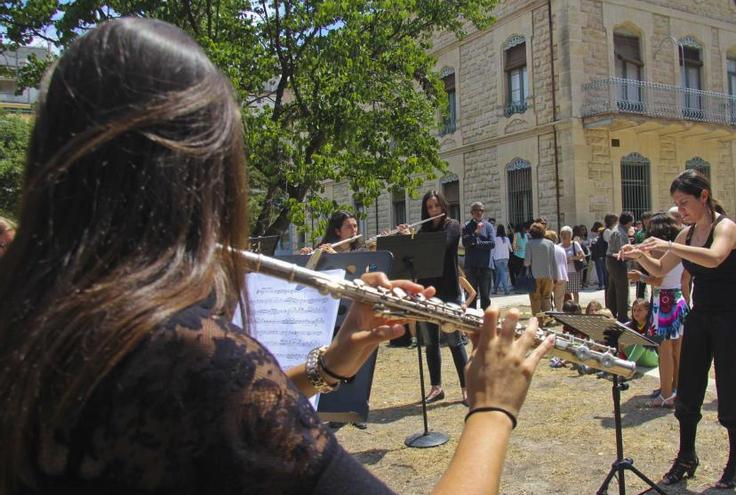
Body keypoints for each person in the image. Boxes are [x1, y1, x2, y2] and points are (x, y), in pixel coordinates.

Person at [0, 19, 556, 495]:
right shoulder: (185, 353)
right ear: (202, 180)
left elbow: (213, 420)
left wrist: (333, 363)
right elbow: (212, 395)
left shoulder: (31, 308)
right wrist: (492, 406)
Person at [620, 169, 736, 489]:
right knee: (689, 388)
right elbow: (662, 267)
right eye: (676, 203)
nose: (680, 210)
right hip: (701, 314)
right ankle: (686, 456)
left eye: (685, 202)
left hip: (731, 316)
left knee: (729, 389)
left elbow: (714, 258)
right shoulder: (686, 234)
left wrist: (669, 245)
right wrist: (640, 256)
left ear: (704, 196)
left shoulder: (726, 227)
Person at [415, 192, 469, 405]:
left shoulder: (453, 225)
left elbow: (444, 246)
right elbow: (415, 255)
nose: (434, 210)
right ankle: (436, 388)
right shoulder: (423, 230)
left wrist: (419, 239)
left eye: (437, 206)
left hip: (449, 292)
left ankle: (467, 388)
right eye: (429, 207)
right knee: (430, 343)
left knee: (455, 341)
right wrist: (408, 237)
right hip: (428, 292)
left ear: (443, 206)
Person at [628, 213, 687, 408]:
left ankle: (666, 393)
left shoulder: (660, 251)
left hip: (664, 300)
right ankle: (676, 389)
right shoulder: (678, 248)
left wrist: (640, 276)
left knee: (665, 351)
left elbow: (658, 278)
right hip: (679, 298)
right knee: (678, 350)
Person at [462, 201, 496, 309]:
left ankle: (486, 321)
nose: (479, 213)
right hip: (471, 266)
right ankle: (472, 321)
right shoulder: (467, 226)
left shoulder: (489, 226)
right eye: (476, 210)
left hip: (485, 266)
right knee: (472, 295)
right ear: (472, 212)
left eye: (481, 210)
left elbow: (492, 244)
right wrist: (476, 233)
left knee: (485, 297)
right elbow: (465, 243)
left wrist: (476, 243)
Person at [524, 222, 557, 326]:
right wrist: (555, 276)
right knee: (546, 298)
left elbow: (527, 262)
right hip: (548, 275)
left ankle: (538, 322)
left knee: (535, 299)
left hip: (535, 275)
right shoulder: (550, 243)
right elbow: (553, 261)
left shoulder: (529, 244)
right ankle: (547, 320)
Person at [605, 212, 633, 323]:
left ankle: (611, 312)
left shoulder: (618, 230)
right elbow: (621, 250)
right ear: (628, 222)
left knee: (612, 288)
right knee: (622, 289)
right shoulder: (619, 233)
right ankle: (622, 316)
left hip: (612, 260)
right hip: (616, 260)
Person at [622, 299, 659, 368]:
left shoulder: (652, 325)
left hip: (652, 359)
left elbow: (655, 345)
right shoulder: (630, 325)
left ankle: (627, 367)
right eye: (634, 310)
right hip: (637, 359)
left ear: (648, 311)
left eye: (639, 310)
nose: (636, 312)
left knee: (642, 339)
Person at [560, 226, 585, 304]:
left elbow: (582, 255)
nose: (564, 236)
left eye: (566, 234)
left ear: (570, 235)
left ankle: (576, 306)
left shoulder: (575, 244)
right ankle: (567, 307)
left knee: (575, 291)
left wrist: (572, 258)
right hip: (563, 273)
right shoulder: (558, 246)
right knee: (565, 292)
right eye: (562, 234)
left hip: (574, 271)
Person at [545, 230, 568, 311]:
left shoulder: (546, 249)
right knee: (559, 299)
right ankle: (560, 316)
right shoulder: (561, 249)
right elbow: (565, 263)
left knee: (547, 297)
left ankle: (549, 315)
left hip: (550, 276)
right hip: (562, 275)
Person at [492, 224, 513, 295]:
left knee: (501, 273)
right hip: (506, 258)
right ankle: (495, 289)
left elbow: (493, 250)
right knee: (500, 273)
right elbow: (511, 249)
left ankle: (506, 290)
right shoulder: (507, 239)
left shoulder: (495, 239)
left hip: (497, 258)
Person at [590, 221, 608, 289]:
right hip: (604, 256)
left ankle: (601, 284)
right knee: (604, 271)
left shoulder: (596, 239)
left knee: (599, 271)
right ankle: (605, 284)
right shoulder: (605, 240)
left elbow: (592, 247)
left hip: (598, 257)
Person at [510, 223, 528, 288]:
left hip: (517, 256)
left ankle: (518, 286)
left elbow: (514, 246)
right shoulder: (526, 235)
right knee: (524, 272)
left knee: (517, 272)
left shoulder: (516, 234)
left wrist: (517, 248)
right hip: (525, 256)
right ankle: (524, 286)